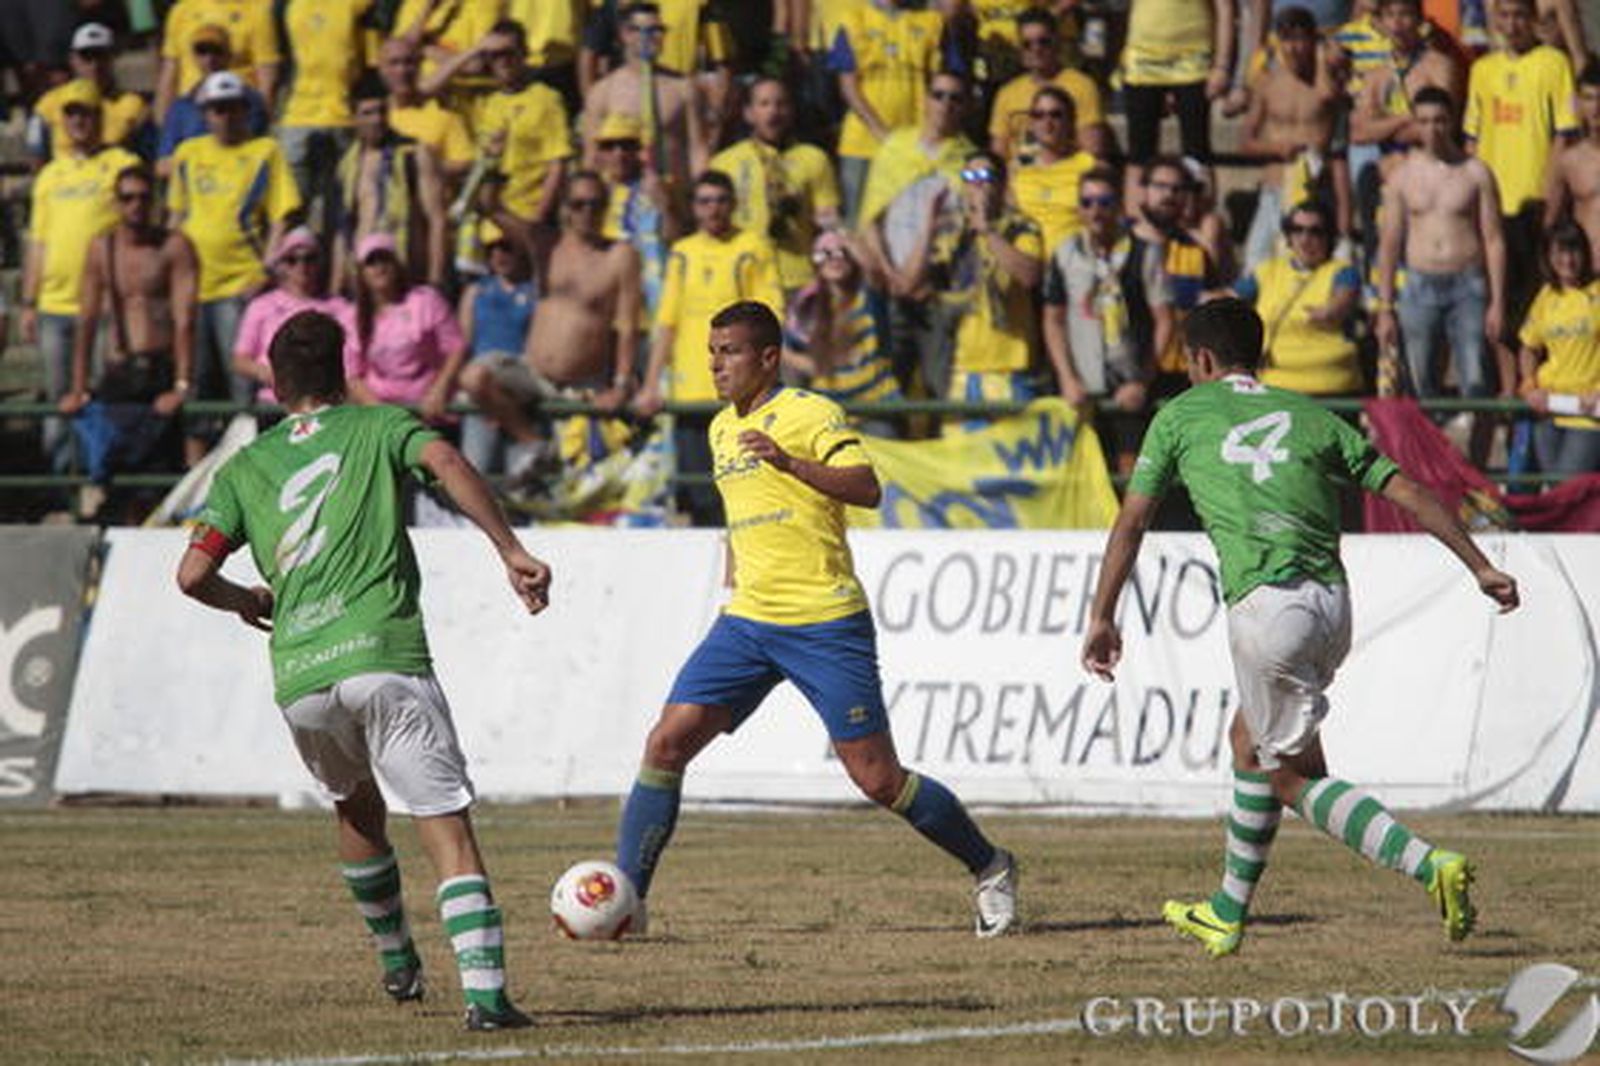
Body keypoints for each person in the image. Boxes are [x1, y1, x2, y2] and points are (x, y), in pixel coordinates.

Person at [1081, 297, 1520, 958]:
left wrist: (1102, 615)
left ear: (1199, 359)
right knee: (1247, 738)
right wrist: (1480, 565)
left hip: (1268, 608)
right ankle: (1226, 911)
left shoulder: (1179, 414)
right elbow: (1408, 490)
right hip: (1333, 604)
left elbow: (1133, 520)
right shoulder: (1313, 414)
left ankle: (1431, 865)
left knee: (1293, 779)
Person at [176, 309, 550, 1032]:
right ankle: (486, 997)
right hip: (381, 652)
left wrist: (244, 601)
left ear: (276, 384)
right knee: (444, 825)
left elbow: (191, 574)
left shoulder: (245, 467)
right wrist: (508, 548)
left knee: (355, 808)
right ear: (345, 370)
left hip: (302, 673)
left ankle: (396, 962)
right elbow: (447, 462)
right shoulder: (382, 426)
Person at [613, 299, 1018, 937]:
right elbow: (745, 514)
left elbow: (866, 486)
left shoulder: (810, 413)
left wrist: (790, 462)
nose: (717, 365)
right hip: (747, 622)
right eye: (712, 353)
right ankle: (625, 903)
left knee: (879, 779)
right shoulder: (721, 428)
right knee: (666, 743)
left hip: (825, 621)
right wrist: (734, 573)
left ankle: (991, 866)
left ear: (768, 357)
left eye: (731, 352)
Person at [461, 170, 641, 480]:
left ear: (607, 206)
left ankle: (538, 459)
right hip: (531, 373)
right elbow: (490, 208)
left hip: (583, 385)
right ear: (565, 208)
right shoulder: (544, 244)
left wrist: (622, 385)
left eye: (596, 204)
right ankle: (533, 443)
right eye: (578, 204)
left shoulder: (620, 255)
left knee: (572, 483)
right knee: (475, 377)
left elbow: (627, 325)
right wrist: (489, 166)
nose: (587, 212)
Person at [633, 170, 782, 524]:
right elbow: (667, 323)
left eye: (720, 200)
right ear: (694, 208)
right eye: (704, 201)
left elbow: (770, 319)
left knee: (744, 487)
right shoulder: (683, 253)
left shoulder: (753, 247)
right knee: (699, 495)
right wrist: (652, 384)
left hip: (741, 396)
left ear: (733, 204)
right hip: (691, 392)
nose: (713, 209)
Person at [21, 80, 141, 473]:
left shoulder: (120, 163)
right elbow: (37, 243)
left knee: (101, 394)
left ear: (99, 116)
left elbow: (132, 233)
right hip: (53, 305)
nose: (77, 120)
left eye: (85, 112)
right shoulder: (49, 176)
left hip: (103, 304)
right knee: (60, 397)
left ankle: (99, 479)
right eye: (70, 113)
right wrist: (28, 301)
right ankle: (63, 482)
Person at [168, 71, 303, 410]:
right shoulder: (187, 153)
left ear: (245, 110)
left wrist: (265, 270)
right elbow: (176, 216)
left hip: (239, 282)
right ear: (205, 113)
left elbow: (280, 217)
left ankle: (247, 455)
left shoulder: (264, 151)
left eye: (232, 107)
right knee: (193, 382)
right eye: (217, 108)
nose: (225, 116)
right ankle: (194, 462)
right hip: (193, 282)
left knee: (241, 385)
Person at [59, 164, 198, 468]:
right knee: (117, 468)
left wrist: (182, 385)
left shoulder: (174, 247)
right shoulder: (101, 248)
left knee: (161, 471)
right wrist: (78, 387)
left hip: (161, 367)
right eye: (127, 197)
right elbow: (87, 320)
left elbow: (184, 319)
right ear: (116, 202)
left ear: (155, 201)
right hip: (119, 371)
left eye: (143, 197)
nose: (136, 205)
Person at [1375, 86, 1506, 399]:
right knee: (1419, 383)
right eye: (1424, 121)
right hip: (1420, 284)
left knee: (1476, 380)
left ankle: (1473, 450)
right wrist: (1385, 307)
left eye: (1439, 120)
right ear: (1414, 125)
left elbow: (1494, 239)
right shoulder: (1402, 176)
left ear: (1452, 121)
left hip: (1468, 285)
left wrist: (1497, 301)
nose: (1432, 129)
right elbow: (1390, 244)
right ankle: (1426, 450)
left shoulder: (1476, 172)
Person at [901, 149, 1044, 430]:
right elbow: (910, 284)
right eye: (969, 177)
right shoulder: (952, 233)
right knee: (963, 471)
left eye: (985, 176)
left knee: (1010, 472)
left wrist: (987, 230)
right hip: (960, 373)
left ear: (1002, 184)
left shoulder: (1021, 227)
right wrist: (928, 224)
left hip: (1009, 370)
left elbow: (1029, 275)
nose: (977, 184)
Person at [1041, 167, 1171, 473]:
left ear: (1119, 205)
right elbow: (1053, 320)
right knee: (1085, 476)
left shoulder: (1144, 252)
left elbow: (1165, 321)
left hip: (1130, 386)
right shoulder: (1065, 254)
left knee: (1132, 476)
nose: (1095, 210)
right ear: (1078, 207)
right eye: (1087, 202)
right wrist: (1067, 378)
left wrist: (1142, 380)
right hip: (1083, 388)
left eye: (1104, 201)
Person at [1463, 0, 1577, 335]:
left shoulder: (1554, 63)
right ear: (1495, 19)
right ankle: (1506, 385)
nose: (1512, 25)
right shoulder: (1482, 69)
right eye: (1505, 16)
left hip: (1534, 201)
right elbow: (1473, 137)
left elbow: (1564, 135)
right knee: (1499, 299)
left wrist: (1551, 196)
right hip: (1493, 201)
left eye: (1519, 16)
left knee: (1537, 296)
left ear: (1533, 20)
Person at [1239, 7, 1347, 273]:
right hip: (1275, 188)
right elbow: (1245, 142)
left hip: (1315, 191)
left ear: (1313, 41)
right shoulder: (1267, 83)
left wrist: (1322, 57)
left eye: (1301, 40)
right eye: (1287, 40)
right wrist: (1277, 148)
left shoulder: (1330, 79)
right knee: (1257, 262)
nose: (1294, 48)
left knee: (1314, 269)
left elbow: (1326, 98)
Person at [709, 77, 842, 295]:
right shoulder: (725, 163)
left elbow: (828, 223)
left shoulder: (814, 158)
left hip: (798, 276)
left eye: (781, 104)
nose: (774, 112)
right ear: (749, 113)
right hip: (743, 278)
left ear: (791, 111)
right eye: (764, 104)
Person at [828, 0, 950, 224]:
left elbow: (943, 81)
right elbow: (848, 86)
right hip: (862, 145)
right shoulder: (854, 20)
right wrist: (881, 133)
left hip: (916, 142)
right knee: (859, 223)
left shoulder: (932, 22)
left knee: (912, 222)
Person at [331, 72, 449, 290]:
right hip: (361, 281)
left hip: (405, 276)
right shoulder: (346, 165)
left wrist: (436, 280)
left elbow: (437, 219)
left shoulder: (413, 154)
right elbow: (344, 229)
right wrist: (336, 288)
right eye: (367, 113)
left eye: (382, 111)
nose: (376, 119)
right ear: (353, 117)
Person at [1234, 199, 1364, 396]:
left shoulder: (1342, 272)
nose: (1305, 239)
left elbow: (1343, 299)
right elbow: (1230, 299)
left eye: (1315, 231)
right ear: (1288, 236)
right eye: (1298, 230)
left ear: (1329, 237)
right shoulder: (1268, 271)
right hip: (1274, 386)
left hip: (1328, 387)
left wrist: (1331, 310)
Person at [783, 230, 902, 437]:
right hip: (830, 412)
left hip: (874, 410)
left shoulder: (868, 296)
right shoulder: (806, 305)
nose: (835, 260)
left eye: (842, 253)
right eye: (825, 254)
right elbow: (794, 354)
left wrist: (850, 240)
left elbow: (875, 273)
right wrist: (826, 365)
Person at [581, 3, 707, 197]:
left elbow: (697, 150)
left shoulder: (683, 88)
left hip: (671, 198)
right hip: (621, 203)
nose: (651, 38)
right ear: (625, 34)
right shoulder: (603, 91)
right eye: (642, 30)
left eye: (658, 30)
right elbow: (592, 157)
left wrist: (700, 194)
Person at [233, 228, 358, 414]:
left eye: (310, 258)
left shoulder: (341, 308)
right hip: (275, 404)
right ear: (281, 264)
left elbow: (351, 360)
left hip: (325, 406)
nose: (302, 266)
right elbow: (240, 359)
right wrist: (275, 375)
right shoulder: (261, 305)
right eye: (292, 259)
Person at [1118, 0, 1234, 199]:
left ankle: (1196, 221)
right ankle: (1137, 225)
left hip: (1193, 62)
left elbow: (1225, 8)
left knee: (1197, 153)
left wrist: (1222, 65)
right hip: (1142, 61)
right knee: (1139, 154)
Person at [346, 233, 466, 423]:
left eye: (385, 259)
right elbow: (352, 374)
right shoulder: (353, 316)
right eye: (371, 262)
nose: (379, 267)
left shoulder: (426, 300)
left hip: (428, 410)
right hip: (380, 416)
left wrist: (439, 389)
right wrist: (378, 410)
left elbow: (456, 348)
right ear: (361, 272)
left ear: (397, 265)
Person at [277, 0, 373, 230]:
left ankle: (338, 262)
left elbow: (371, 64)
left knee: (343, 209)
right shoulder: (287, 7)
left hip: (343, 117)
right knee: (289, 209)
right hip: (297, 117)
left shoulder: (359, 6)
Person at [470, 19, 576, 228]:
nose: (502, 61)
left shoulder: (546, 98)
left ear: (524, 53)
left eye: (509, 53)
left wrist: (539, 216)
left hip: (528, 213)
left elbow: (557, 164)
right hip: (490, 215)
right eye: (494, 55)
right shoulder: (486, 103)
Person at [1517, 223, 1600, 476]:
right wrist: (1530, 386)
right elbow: (1528, 346)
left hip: (1588, 411)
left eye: (1573, 251)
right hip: (1550, 408)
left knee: (1568, 484)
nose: (1567, 260)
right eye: (1559, 253)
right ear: (1549, 257)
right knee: (1554, 491)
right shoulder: (1546, 296)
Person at [455, 224, 538, 474]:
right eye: (493, 249)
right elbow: (463, 342)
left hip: (517, 382)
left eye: (507, 247)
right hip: (480, 390)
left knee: (522, 476)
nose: (500, 254)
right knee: (476, 470)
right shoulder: (475, 291)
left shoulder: (534, 291)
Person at [987, 8, 1108, 163]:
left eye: (1043, 41)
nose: (1036, 49)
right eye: (1027, 44)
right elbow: (999, 155)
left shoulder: (1082, 86)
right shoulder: (1007, 93)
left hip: (1067, 175)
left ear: (1057, 42)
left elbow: (1093, 152)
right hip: (1021, 180)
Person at [155, 24, 271, 174]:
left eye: (217, 51)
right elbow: (163, 164)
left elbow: (249, 148)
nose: (210, 59)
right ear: (194, 57)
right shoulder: (181, 107)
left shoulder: (250, 101)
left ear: (229, 55)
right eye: (202, 52)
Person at [28, 23, 150, 163]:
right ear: (72, 60)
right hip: (62, 179)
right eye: (86, 57)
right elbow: (36, 156)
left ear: (112, 58)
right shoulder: (48, 103)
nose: (94, 65)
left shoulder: (134, 104)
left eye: (101, 56)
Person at [1008, 87, 1097, 257]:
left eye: (1055, 115)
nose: (1047, 122)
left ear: (1071, 121)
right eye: (1038, 115)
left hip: (1073, 266)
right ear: (1031, 124)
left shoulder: (1089, 166)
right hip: (1025, 263)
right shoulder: (1016, 168)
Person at [156, 0, 280, 122]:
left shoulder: (257, 11)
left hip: (234, 113)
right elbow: (170, 72)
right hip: (189, 112)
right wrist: (162, 121)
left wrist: (260, 120)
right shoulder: (181, 10)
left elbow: (267, 79)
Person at [379, 38, 476, 182]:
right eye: (394, 63)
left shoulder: (443, 115)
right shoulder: (372, 114)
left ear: (419, 66)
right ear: (382, 69)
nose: (402, 70)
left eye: (409, 62)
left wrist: (424, 168)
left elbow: (465, 163)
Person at [1544, 61, 1600, 270]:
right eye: (1589, 98)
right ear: (1578, 103)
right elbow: (1551, 221)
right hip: (1586, 271)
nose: (1596, 107)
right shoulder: (1569, 161)